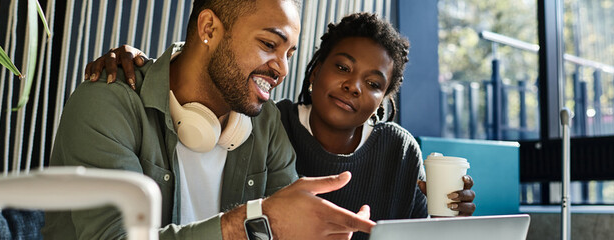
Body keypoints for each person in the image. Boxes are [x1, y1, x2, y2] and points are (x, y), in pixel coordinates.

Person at [88, 12, 477, 240]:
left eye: (373, 84)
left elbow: (421, 231)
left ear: (384, 100)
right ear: (315, 72)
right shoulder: (272, 121)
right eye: (342, 67)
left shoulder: (399, 148)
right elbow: (211, 62)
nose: (353, 86)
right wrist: (149, 67)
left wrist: (449, 220)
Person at [43, 0, 375, 239]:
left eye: (288, 54)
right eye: (269, 44)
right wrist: (245, 224)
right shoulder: (108, 104)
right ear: (209, 28)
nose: (282, 69)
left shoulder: (266, 124)